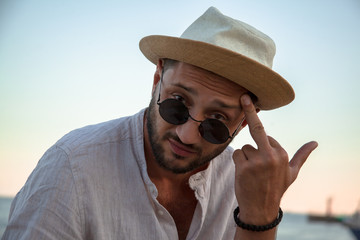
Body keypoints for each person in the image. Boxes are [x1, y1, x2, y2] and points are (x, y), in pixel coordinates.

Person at [2, 6, 318, 240]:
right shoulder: (73, 167)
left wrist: (260, 215)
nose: (187, 134)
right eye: (177, 104)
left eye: (217, 121)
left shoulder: (244, 187)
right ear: (157, 77)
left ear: (243, 125)